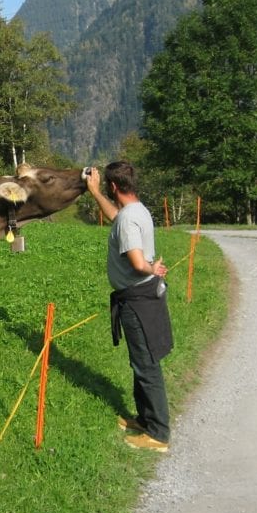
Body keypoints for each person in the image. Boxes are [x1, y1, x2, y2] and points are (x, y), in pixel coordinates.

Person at [86, 161, 173, 453]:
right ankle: (145, 419)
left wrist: (151, 268)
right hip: (140, 296)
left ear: (114, 186)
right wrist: (94, 193)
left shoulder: (128, 219)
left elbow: (137, 264)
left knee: (147, 365)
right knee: (140, 362)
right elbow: (116, 217)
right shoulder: (137, 210)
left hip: (137, 300)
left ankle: (159, 434)